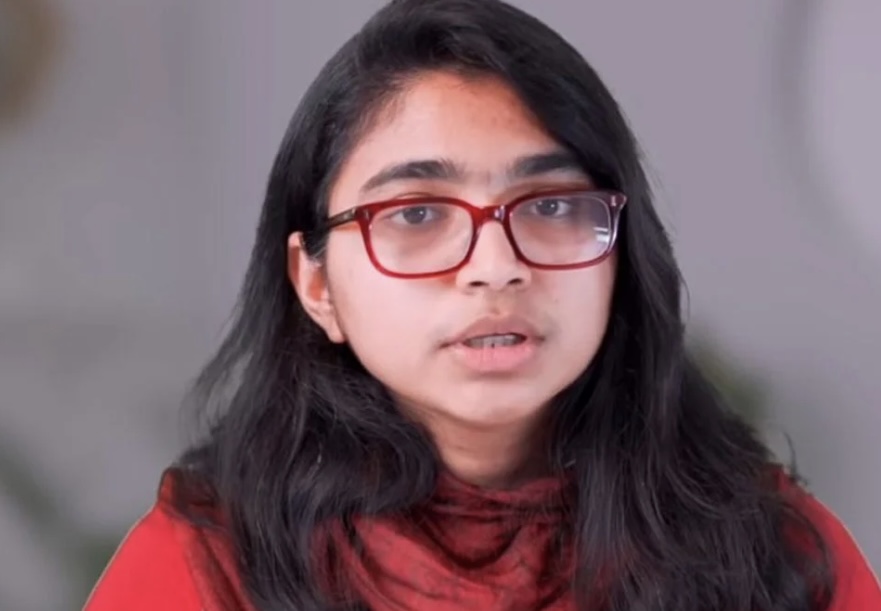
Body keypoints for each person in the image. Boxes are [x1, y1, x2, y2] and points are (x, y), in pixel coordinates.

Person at [85, 0, 881, 609]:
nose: (494, 268)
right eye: (416, 215)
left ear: (622, 253)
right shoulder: (206, 567)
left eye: (550, 205)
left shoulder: (770, 552)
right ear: (316, 284)